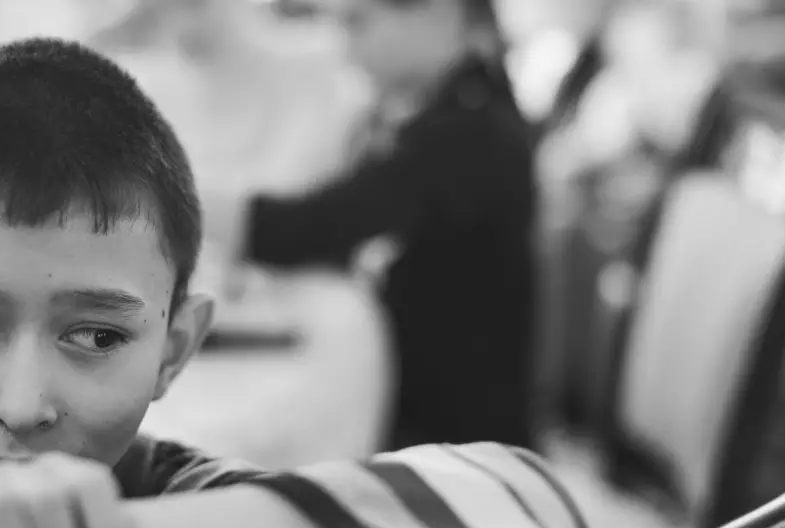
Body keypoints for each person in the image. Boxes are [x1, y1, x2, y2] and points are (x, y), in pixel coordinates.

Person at [0, 38, 590, 528]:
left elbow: (531, 504)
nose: (22, 405)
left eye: (97, 337)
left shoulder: (193, 502)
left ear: (174, 348)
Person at [204, 0, 537, 450]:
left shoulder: (472, 131)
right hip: (427, 405)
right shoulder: (434, 112)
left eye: (358, 23)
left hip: (455, 436)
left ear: (439, 14)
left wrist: (171, 194)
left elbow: (316, 226)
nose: (347, 49)